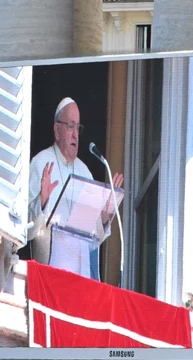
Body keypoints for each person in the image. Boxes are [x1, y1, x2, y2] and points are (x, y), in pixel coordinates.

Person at [27, 97, 123, 279]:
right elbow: (27, 231)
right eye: (70, 126)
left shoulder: (84, 172)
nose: (75, 135)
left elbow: (94, 240)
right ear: (57, 130)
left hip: (82, 275)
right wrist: (41, 201)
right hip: (49, 274)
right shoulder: (40, 163)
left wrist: (103, 216)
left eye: (77, 127)